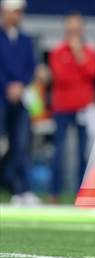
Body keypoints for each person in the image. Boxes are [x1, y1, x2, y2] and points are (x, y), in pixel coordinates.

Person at [48, 12, 95, 202]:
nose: (74, 32)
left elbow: (92, 73)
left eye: (77, 29)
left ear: (82, 30)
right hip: (62, 109)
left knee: (82, 154)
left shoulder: (91, 52)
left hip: (83, 110)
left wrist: (78, 55)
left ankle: (81, 194)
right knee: (58, 152)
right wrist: (79, 69)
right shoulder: (57, 52)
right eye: (70, 29)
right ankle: (54, 193)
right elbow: (60, 76)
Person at [0, 0, 39, 204]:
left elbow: (31, 67)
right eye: (12, 12)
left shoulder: (26, 40)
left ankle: (21, 189)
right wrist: (7, 85)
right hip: (1, 96)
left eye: (19, 12)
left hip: (21, 99)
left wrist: (20, 86)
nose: (16, 16)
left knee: (21, 144)